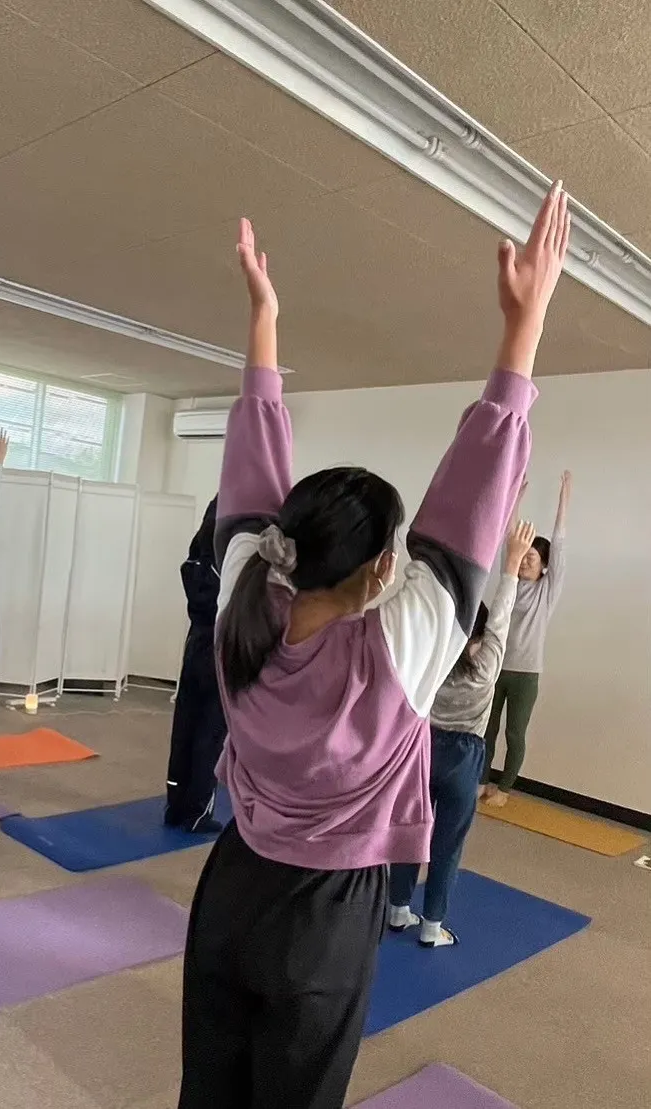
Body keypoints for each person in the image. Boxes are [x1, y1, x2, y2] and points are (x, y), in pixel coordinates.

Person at [178, 182, 568, 1109]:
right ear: (384, 561)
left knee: (210, 1089)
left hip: (231, 889)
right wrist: (523, 328)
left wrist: (263, 323)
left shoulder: (244, 604)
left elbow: (253, 464)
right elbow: (476, 494)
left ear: (290, 544)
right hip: (328, 913)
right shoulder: (400, 645)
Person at [388, 519, 537, 948]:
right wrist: (511, 563)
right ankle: (432, 927)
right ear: (481, 628)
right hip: (465, 754)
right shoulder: (489, 662)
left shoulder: (433, 655)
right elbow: (503, 615)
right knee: (447, 843)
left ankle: (398, 910)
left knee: (409, 829)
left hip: (421, 746)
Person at [482, 471, 571, 806]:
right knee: (485, 731)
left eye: (531, 559)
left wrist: (563, 500)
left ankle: (504, 789)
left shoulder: (546, 593)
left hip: (526, 675)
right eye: (523, 559)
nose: (523, 563)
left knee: (514, 733)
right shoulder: (510, 585)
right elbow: (511, 538)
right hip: (495, 668)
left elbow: (559, 546)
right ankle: (480, 781)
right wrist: (514, 500)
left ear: (544, 567)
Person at [164, 495, 226, 833]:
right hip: (218, 642)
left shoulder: (199, 544)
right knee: (211, 729)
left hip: (196, 639)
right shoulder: (231, 546)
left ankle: (175, 805)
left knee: (186, 724)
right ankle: (198, 812)